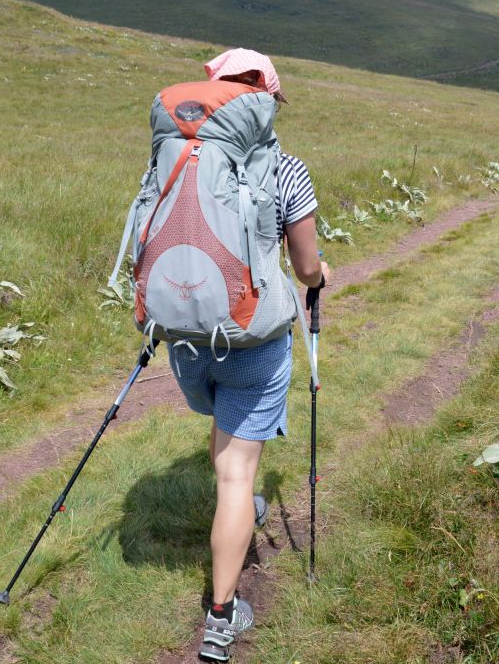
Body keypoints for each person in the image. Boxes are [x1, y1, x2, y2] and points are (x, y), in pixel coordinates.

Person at [165, 48, 329, 662]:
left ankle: (236, 520)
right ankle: (221, 614)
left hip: (185, 336)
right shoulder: (287, 169)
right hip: (253, 338)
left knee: (223, 433)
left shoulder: (176, 158)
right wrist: (318, 279)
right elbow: (307, 266)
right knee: (238, 475)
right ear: (268, 101)